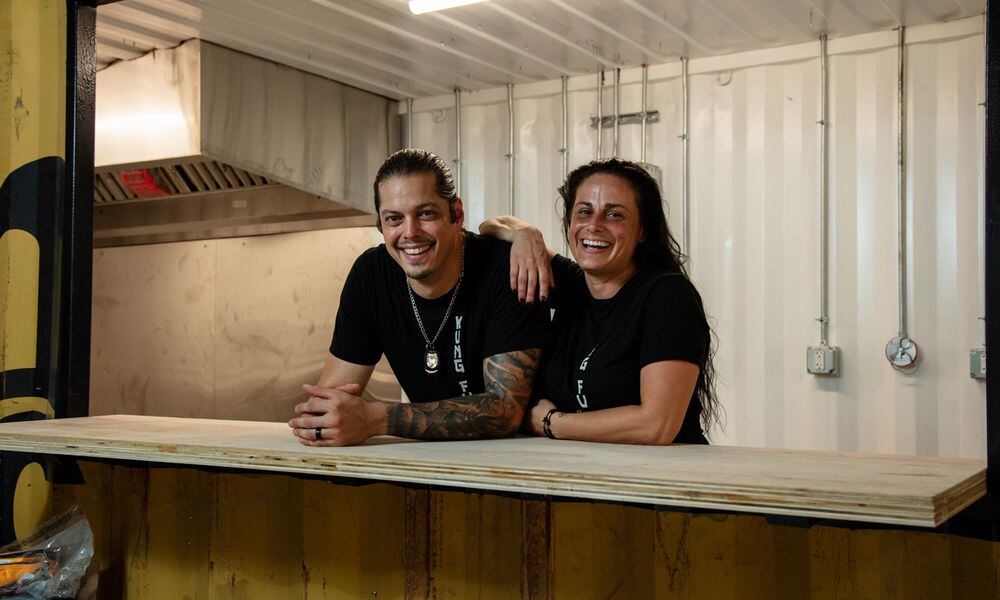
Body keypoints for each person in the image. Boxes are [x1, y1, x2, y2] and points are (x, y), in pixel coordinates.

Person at [288, 149, 548, 446]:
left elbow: (504, 413)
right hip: (429, 460)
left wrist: (376, 418)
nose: (410, 232)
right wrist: (329, 419)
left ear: (457, 215)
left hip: (527, 461)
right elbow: (331, 402)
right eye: (394, 218)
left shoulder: (508, 268)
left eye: (425, 213)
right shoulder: (370, 275)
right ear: (382, 226)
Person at [479, 158, 720, 445]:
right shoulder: (573, 284)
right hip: (588, 474)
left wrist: (552, 422)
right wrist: (526, 235)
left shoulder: (668, 296)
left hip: (659, 479)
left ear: (643, 230)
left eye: (614, 215)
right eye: (584, 212)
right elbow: (490, 226)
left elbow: (656, 425)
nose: (594, 226)